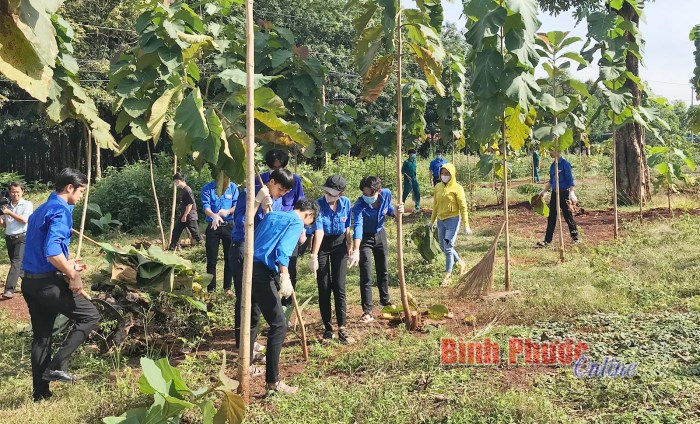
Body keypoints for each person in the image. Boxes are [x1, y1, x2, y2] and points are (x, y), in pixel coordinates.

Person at [21, 168, 100, 402]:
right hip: (48, 286)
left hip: (30, 284)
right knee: (90, 316)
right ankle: (57, 365)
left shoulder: (42, 209)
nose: (81, 196)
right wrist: (73, 276)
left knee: (42, 338)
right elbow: (52, 252)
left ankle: (40, 395)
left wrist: (67, 264)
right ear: (69, 188)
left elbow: (44, 250)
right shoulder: (61, 210)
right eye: (81, 191)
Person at [248, 199, 319, 394]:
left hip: (248, 268)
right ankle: (273, 382)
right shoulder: (296, 222)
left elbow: (254, 237)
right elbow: (283, 251)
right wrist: (285, 275)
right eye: (308, 224)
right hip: (262, 273)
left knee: (252, 319)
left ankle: (245, 367)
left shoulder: (273, 214)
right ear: (308, 215)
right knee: (279, 325)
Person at [230, 168, 294, 348]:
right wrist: (257, 201)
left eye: (285, 192)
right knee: (245, 299)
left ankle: (250, 341)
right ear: (271, 182)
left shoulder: (277, 201)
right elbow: (243, 223)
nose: (281, 194)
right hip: (242, 248)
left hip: (259, 253)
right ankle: (242, 344)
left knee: (256, 301)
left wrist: (268, 211)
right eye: (280, 189)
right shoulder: (248, 194)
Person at [349, 176, 404, 323]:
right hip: (365, 239)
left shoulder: (386, 194)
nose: (366, 197)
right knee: (366, 274)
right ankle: (367, 311)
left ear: (378, 191)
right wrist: (356, 249)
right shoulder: (359, 205)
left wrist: (396, 213)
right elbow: (358, 226)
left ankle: (385, 301)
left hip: (380, 235)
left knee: (383, 269)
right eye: (364, 194)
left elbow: (389, 209)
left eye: (369, 194)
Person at [256, 149, 305, 306]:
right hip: (270, 230)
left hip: (289, 229)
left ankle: (286, 308)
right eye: (272, 169)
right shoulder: (263, 180)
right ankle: (273, 308)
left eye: (279, 168)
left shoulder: (294, 180)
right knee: (271, 270)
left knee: (289, 269)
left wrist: (302, 229)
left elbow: (300, 204)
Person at [308, 175, 354, 343]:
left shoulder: (346, 203)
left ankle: (342, 327)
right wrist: (314, 254)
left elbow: (347, 225)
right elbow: (318, 231)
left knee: (339, 286)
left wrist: (350, 245)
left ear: (340, 194)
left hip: (340, 243)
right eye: (327, 191)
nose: (328, 194)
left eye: (332, 192)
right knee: (324, 286)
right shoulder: (318, 204)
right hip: (322, 244)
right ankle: (328, 329)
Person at [430, 164, 472, 287]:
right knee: (443, 247)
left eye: (447, 173)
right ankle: (460, 262)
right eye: (442, 173)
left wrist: (466, 225)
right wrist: (431, 221)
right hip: (440, 221)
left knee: (448, 247)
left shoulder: (457, 188)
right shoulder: (437, 187)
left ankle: (447, 275)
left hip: (452, 221)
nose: (444, 176)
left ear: (452, 174)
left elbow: (463, 207)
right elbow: (435, 205)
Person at [201, 177, 239, 293]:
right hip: (214, 226)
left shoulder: (233, 187)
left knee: (229, 258)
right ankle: (211, 290)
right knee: (211, 260)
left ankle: (227, 288)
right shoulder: (207, 188)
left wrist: (227, 211)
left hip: (229, 226)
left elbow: (236, 205)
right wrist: (214, 216)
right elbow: (206, 207)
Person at [536, 150, 579, 247]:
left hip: (564, 193)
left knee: (568, 216)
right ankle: (547, 241)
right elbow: (551, 181)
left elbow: (570, 179)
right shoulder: (552, 165)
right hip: (554, 194)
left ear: (556, 150)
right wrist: (544, 191)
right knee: (551, 217)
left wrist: (572, 193)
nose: (549, 153)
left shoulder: (565, 164)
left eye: (551, 151)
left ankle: (575, 238)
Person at [1, 182, 33, 298]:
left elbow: (24, 220)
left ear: (22, 191)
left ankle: (9, 290)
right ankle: (32, 284)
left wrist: (9, 213)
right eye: (13, 192)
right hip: (9, 237)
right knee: (18, 265)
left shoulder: (27, 205)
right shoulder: (6, 206)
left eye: (17, 192)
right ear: (9, 192)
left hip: (22, 237)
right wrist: (2, 220)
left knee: (16, 263)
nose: (15, 194)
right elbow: (5, 224)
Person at [168, 173, 202, 251]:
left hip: (190, 216)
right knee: (176, 230)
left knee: (195, 233)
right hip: (184, 216)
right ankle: (172, 247)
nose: (174, 184)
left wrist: (185, 215)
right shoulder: (183, 190)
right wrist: (183, 216)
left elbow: (190, 204)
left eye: (175, 182)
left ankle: (203, 247)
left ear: (178, 181)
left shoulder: (187, 190)